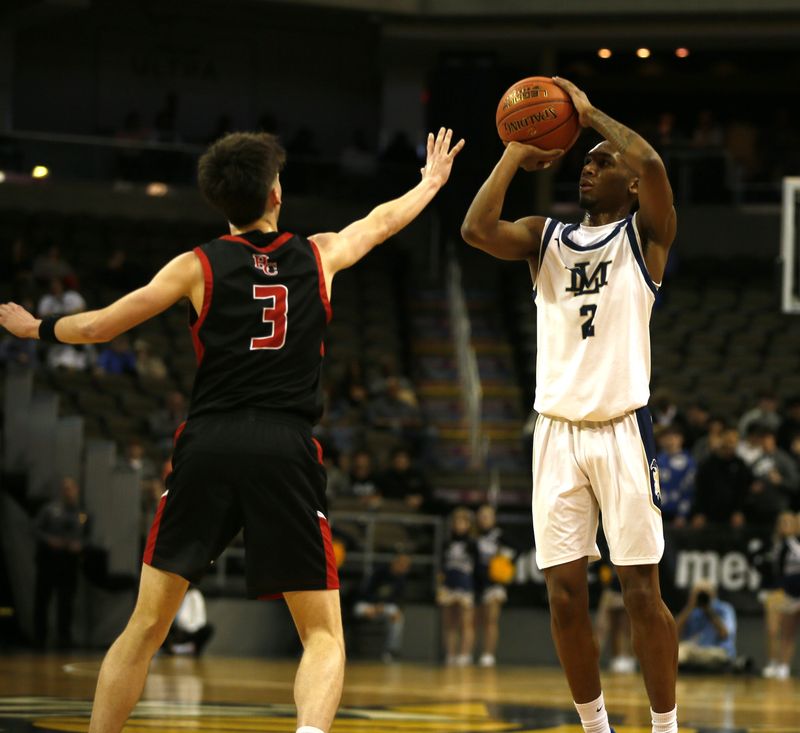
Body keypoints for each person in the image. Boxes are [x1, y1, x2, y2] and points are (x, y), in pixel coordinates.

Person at [0, 126, 464, 733]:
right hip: (286, 446)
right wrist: (429, 182)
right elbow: (379, 223)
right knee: (323, 634)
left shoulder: (195, 266)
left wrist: (36, 329)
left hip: (211, 443)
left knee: (144, 627)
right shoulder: (317, 255)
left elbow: (100, 327)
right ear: (275, 192)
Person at [462, 76, 678, 733]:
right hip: (555, 432)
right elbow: (475, 228)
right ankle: (595, 727)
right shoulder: (545, 237)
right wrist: (514, 148)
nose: (590, 165)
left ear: (631, 186)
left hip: (621, 430)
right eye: (584, 161)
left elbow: (652, 162)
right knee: (563, 597)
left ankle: (665, 726)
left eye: (602, 161)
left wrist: (587, 117)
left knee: (641, 591)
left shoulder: (647, 238)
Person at [33, 477, 89, 649]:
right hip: (49, 561)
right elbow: (36, 529)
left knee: (66, 602)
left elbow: (88, 536)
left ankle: (64, 638)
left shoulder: (82, 513)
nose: (68, 491)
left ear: (76, 490)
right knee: (42, 600)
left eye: (71, 488)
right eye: (65, 488)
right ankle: (39, 639)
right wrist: (50, 540)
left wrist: (80, 545)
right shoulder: (50, 510)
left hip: (69, 562)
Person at [351, 551, 411, 663]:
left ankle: (390, 651)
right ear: (395, 562)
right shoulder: (378, 572)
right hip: (367, 604)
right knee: (358, 609)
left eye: (406, 566)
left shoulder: (401, 580)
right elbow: (364, 591)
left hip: (384, 608)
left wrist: (382, 607)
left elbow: (398, 600)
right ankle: (351, 649)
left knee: (397, 615)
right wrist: (374, 606)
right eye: (402, 564)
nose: (404, 568)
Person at [473, 504, 514, 667]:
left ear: (493, 518)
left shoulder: (499, 535)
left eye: (487, 516)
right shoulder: (474, 536)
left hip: (494, 583)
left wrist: (504, 563)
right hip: (477, 582)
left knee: (491, 620)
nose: (484, 519)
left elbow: (517, 548)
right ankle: (469, 653)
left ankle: (488, 654)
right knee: (476, 620)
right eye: (481, 516)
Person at [437, 507, 478, 666]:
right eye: (456, 521)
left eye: (463, 521)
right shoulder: (447, 542)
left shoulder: (472, 544)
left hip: (465, 584)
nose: (459, 524)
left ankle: (465, 654)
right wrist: (440, 586)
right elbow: (441, 566)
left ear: (468, 524)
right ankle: (451, 654)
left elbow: (478, 568)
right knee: (449, 622)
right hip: (449, 584)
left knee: (466, 621)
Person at [692, 426, 751, 528]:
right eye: (728, 440)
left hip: (732, 516)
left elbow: (743, 490)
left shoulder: (740, 465)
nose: (731, 444)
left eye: (734, 441)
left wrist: (739, 511)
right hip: (709, 514)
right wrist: (699, 512)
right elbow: (700, 489)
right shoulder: (708, 464)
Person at [674, 581, 736, 672]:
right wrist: (689, 607)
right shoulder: (691, 610)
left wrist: (709, 610)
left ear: (714, 594)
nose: (702, 597)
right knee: (678, 654)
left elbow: (724, 634)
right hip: (694, 652)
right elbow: (675, 634)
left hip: (716, 651)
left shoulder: (724, 609)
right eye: (699, 594)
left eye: (705, 594)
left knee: (717, 656)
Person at [771, 511, 800, 679]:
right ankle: (783, 665)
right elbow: (778, 569)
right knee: (788, 631)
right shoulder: (785, 544)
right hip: (790, 592)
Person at [162, 585, 215, 656]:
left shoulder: (195, 595)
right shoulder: (175, 593)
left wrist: (189, 628)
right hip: (177, 630)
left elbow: (201, 618)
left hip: (191, 631)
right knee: (163, 626)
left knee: (208, 629)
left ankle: (193, 649)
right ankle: (171, 649)